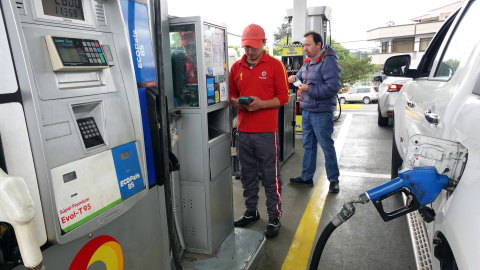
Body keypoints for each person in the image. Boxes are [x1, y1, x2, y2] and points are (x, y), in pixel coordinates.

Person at [229, 24, 289, 238]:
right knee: (247, 174)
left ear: (264, 43)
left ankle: (274, 216)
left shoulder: (275, 66)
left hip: (266, 133)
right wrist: (241, 104)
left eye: (254, 46)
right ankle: (251, 211)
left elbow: (284, 96)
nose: (250, 51)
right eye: (246, 46)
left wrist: (261, 104)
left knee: (271, 176)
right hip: (244, 132)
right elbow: (231, 96)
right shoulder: (236, 67)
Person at [288, 31, 341, 193]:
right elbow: (301, 77)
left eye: (308, 45)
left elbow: (333, 88)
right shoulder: (308, 62)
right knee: (308, 146)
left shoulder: (328, 62)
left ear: (318, 45)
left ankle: (334, 180)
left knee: (326, 146)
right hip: (307, 110)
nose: (305, 48)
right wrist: (293, 78)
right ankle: (306, 178)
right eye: (304, 45)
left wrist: (309, 89)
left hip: (321, 112)